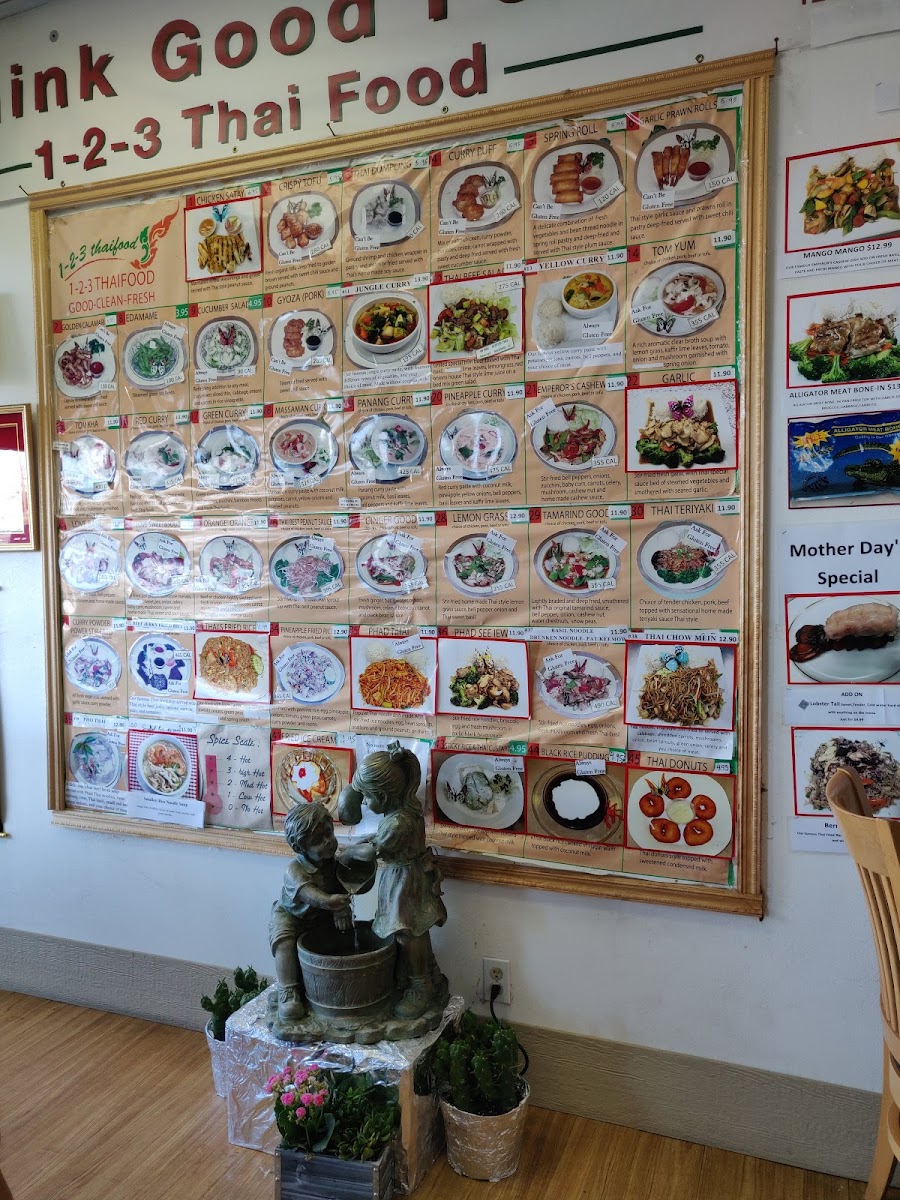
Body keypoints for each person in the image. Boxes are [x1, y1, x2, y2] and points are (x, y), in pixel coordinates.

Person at [338, 742, 448, 1021]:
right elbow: (377, 840)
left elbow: (372, 851)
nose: (364, 803)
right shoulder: (398, 813)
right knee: (410, 932)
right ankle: (425, 974)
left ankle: (420, 985)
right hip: (400, 878)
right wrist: (353, 793)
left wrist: (346, 853)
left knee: (408, 933)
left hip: (406, 882)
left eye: (367, 797)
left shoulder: (399, 823)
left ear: (384, 797)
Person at [269, 802, 352, 1024]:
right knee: (284, 942)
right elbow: (310, 894)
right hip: (291, 917)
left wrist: (342, 909)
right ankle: (288, 991)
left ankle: (332, 986)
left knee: (341, 936)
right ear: (300, 848)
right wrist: (331, 903)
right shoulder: (294, 870)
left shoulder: (333, 864)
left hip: (321, 917)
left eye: (329, 833)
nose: (328, 842)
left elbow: (345, 885)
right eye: (318, 840)